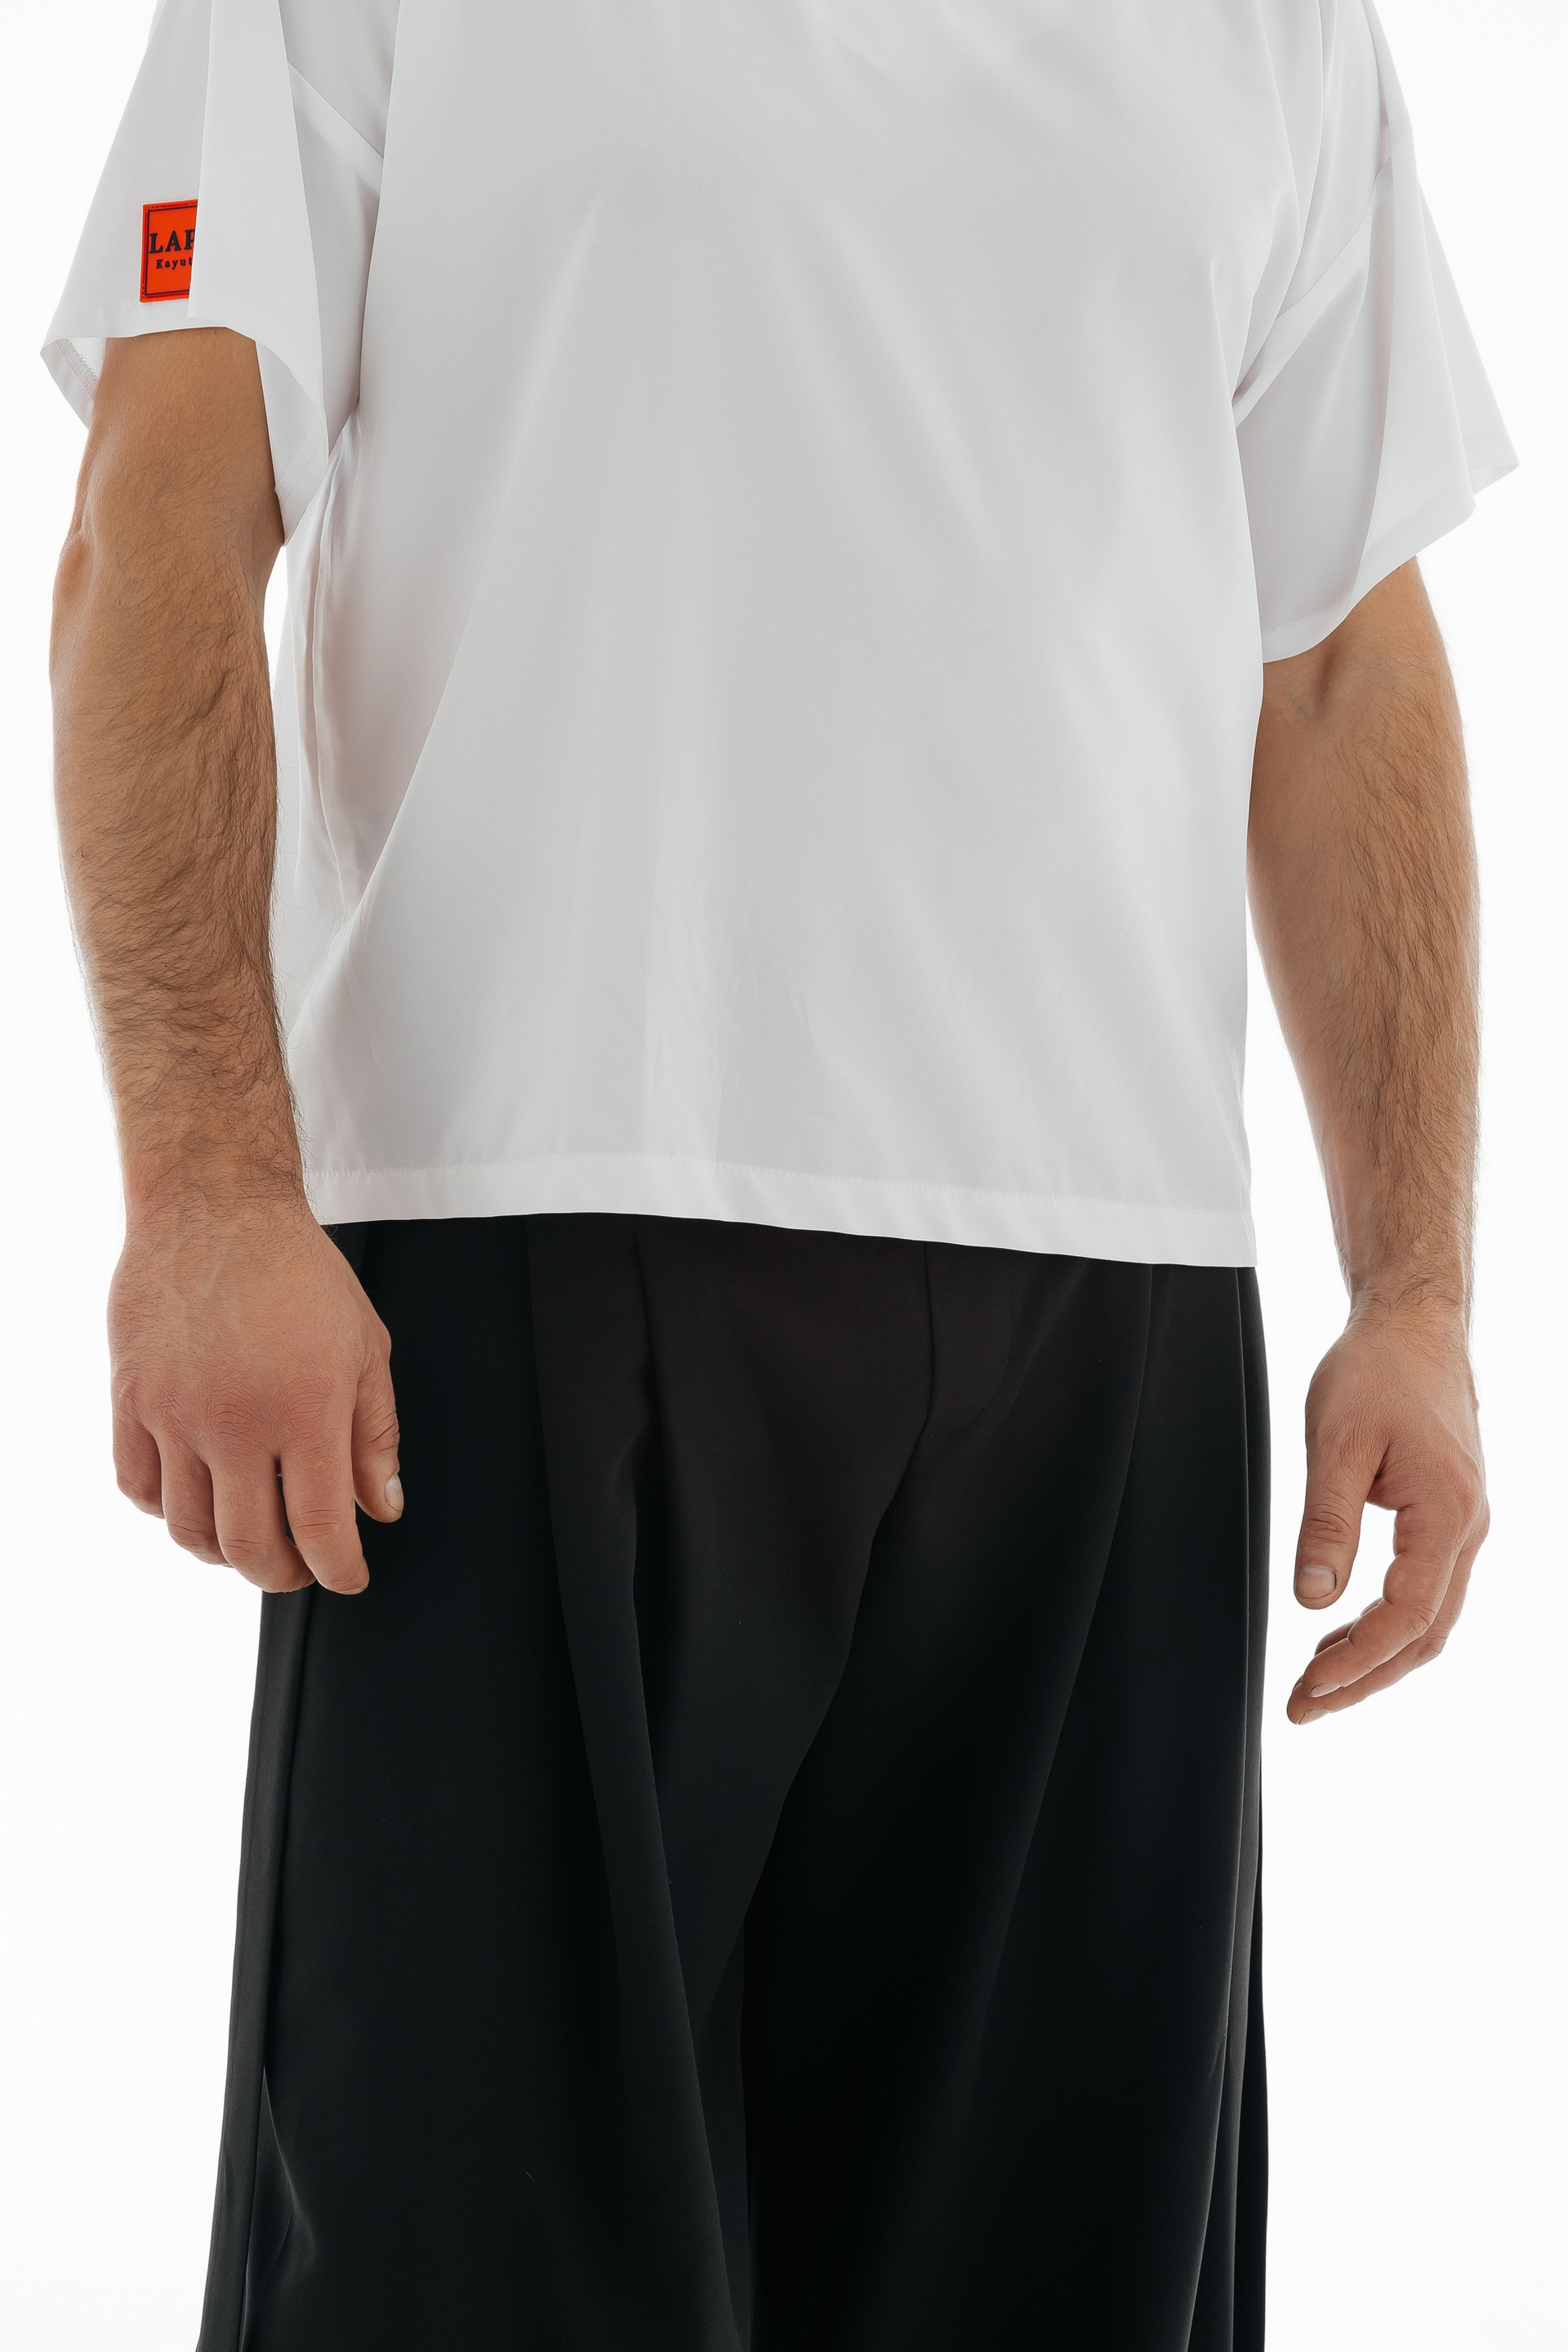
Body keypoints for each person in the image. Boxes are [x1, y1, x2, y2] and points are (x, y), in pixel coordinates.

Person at [45, 0, 1509, 2345]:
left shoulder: (1274, 29)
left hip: (1105, 1321)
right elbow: (162, 509)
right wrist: (207, 1190)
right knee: (450, 2278)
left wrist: (1415, 1287)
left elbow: (1338, 651)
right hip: (517, 1272)